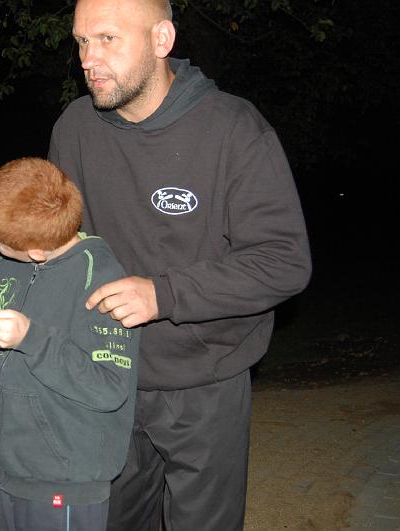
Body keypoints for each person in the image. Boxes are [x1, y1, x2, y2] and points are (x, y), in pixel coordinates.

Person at [47, 0, 313, 529]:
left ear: (161, 40)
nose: (88, 59)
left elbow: (283, 260)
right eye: (81, 42)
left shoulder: (233, 128)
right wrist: (18, 271)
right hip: (107, 373)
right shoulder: (75, 128)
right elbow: (60, 239)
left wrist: (162, 294)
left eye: (107, 39)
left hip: (205, 381)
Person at [0, 157, 140, 531]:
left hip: (63, 483)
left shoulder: (100, 280)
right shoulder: (11, 266)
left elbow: (108, 388)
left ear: (35, 250)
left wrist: (31, 338)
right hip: (3, 471)